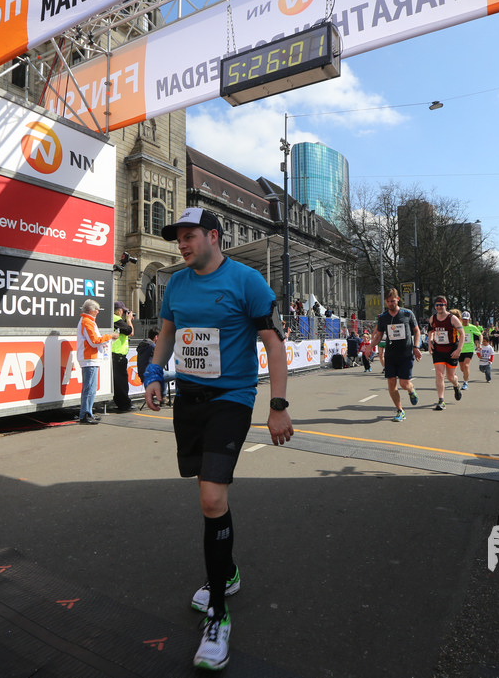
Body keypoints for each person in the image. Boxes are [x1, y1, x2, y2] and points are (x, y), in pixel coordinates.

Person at [142, 207, 293, 671]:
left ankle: (218, 616)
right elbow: (167, 333)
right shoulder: (177, 284)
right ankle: (225, 571)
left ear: (213, 236)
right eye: (178, 238)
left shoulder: (247, 281)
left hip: (232, 398)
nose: (181, 244)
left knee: (211, 498)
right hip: (189, 401)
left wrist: (277, 405)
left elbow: (273, 344)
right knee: (206, 494)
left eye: (189, 236)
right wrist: (154, 371)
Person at [371, 288, 422, 422]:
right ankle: (400, 410)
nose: (390, 304)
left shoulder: (407, 314)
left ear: (398, 299)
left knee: (404, 383)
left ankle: (411, 390)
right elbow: (379, 336)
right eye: (388, 301)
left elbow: (417, 331)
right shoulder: (383, 317)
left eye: (392, 301)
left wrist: (416, 347)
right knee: (391, 382)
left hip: (406, 354)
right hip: (390, 355)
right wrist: (370, 347)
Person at [76, 299, 119, 425]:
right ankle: (85, 414)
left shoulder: (87, 321)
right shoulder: (87, 322)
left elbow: (94, 340)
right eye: (96, 309)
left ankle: (87, 413)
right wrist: (110, 336)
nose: (98, 311)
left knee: (91, 388)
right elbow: (94, 341)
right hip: (89, 358)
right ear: (91, 310)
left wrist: (105, 339)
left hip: (90, 358)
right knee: (89, 388)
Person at [427, 295, 464, 410]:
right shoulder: (433, 318)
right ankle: (441, 400)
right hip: (438, 350)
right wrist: (430, 343)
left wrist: (459, 350)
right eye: (437, 305)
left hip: (451, 350)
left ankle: (456, 385)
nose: (439, 307)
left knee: (450, 377)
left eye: (441, 305)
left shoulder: (452, 318)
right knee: (439, 375)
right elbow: (430, 331)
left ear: (445, 305)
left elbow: (462, 333)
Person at [111, 301, 134, 412]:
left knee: (119, 381)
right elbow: (129, 331)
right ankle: (124, 404)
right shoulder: (116, 319)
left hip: (116, 355)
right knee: (121, 382)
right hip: (117, 355)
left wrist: (127, 321)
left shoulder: (115, 320)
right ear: (119, 311)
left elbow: (129, 332)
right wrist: (128, 320)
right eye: (124, 311)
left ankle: (121, 402)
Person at [457, 310, 483, 390]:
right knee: (462, 368)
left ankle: (465, 382)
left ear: (469, 319)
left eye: (466, 319)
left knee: (466, 365)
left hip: (469, 349)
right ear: (461, 319)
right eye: (464, 319)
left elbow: (480, 335)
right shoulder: (458, 327)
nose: (465, 321)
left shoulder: (472, 327)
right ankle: (465, 375)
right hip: (460, 349)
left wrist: (480, 344)